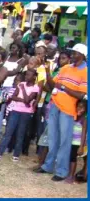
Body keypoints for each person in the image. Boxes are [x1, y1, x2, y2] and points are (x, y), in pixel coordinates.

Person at [36, 44, 88, 182]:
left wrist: (64, 87)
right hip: (55, 105)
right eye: (72, 52)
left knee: (65, 141)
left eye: (76, 53)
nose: (73, 55)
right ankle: (48, 166)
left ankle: (61, 171)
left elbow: (82, 95)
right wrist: (47, 72)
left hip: (68, 110)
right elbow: (53, 85)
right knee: (53, 138)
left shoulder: (85, 71)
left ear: (82, 55)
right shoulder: (65, 68)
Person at [0, 68, 39, 161]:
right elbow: (13, 97)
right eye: (26, 74)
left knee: (20, 133)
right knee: (8, 132)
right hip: (15, 110)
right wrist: (23, 100)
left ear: (34, 77)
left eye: (29, 75)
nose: (26, 76)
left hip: (26, 113)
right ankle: (0, 152)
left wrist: (23, 90)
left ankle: (16, 155)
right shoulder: (20, 84)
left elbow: (28, 100)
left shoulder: (35, 88)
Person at [66, 101, 87, 184]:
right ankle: (71, 174)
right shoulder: (74, 116)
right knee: (72, 159)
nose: (80, 109)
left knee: (75, 160)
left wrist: (81, 146)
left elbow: (84, 133)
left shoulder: (84, 119)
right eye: (78, 106)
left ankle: (72, 176)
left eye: (82, 107)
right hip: (72, 141)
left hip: (79, 143)